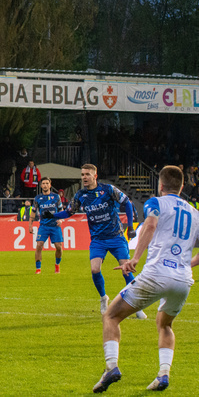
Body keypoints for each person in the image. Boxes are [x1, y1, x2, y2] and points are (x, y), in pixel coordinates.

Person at [93, 166, 199, 393]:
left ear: (160, 185)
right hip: (182, 280)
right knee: (165, 324)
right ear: (181, 187)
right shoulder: (195, 213)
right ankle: (163, 374)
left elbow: (150, 225)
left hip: (157, 273)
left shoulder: (156, 203)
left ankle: (111, 367)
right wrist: (187, 264)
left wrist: (135, 258)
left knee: (111, 315)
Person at [44, 163, 145, 318]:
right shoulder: (80, 195)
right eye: (82, 174)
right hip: (98, 239)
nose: (84, 177)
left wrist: (131, 227)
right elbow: (68, 212)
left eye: (87, 174)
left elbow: (127, 204)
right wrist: (53, 216)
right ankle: (104, 297)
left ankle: (136, 304)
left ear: (95, 176)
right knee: (95, 269)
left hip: (116, 236)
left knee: (126, 269)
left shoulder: (108, 189)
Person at [28, 177, 63, 274]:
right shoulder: (38, 198)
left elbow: (61, 210)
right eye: (43, 183)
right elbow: (33, 212)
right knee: (39, 245)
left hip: (55, 225)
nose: (45, 185)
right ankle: (38, 269)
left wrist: (61, 219)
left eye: (47, 183)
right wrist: (30, 225)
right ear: (41, 185)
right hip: (43, 226)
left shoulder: (56, 197)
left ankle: (57, 265)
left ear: (50, 185)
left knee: (58, 247)